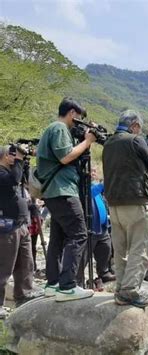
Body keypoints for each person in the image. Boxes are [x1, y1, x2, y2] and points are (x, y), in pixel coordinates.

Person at [36, 97, 97, 301]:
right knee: (79, 234)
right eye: (78, 117)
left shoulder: (52, 129)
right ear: (72, 113)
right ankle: (68, 286)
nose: (78, 122)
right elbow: (65, 156)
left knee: (58, 237)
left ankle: (53, 283)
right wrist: (87, 142)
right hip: (63, 191)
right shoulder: (59, 128)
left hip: (54, 192)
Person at [103, 109, 148, 308]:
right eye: (139, 128)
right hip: (135, 202)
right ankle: (129, 291)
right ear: (134, 125)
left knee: (120, 250)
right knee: (140, 248)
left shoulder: (109, 143)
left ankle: (121, 288)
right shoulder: (135, 141)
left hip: (114, 204)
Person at [0, 145, 40, 317]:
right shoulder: (2, 174)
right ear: (3, 157)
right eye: (11, 155)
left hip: (21, 224)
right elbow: (13, 181)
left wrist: (24, 162)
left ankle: (24, 294)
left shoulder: (11, 172)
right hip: (7, 226)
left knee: (26, 263)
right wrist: (19, 159)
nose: (13, 158)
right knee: (4, 267)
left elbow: (22, 182)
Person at [78, 167, 115, 289]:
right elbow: (90, 194)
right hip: (90, 227)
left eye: (94, 171)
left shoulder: (95, 186)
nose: (92, 173)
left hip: (102, 227)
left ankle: (103, 272)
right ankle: (78, 279)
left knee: (106, 249)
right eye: (90, 171)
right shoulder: (82, 186)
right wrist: (104, 183)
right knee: (84, 255)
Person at [28, 198, 45, 277]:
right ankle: (31, 267)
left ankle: (33, 266)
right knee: (29, 246)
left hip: (34, 218)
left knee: (32, 246)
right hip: (29, 218)